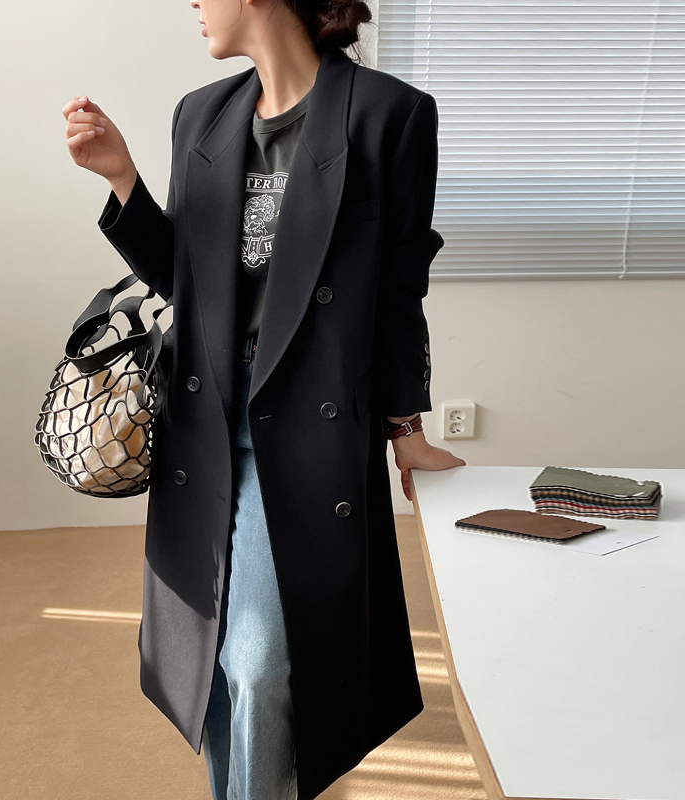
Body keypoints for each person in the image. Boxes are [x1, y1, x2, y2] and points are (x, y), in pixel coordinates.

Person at [62, 0, 465, 797]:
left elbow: (398, 288)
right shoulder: (201, 115)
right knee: (214, 662)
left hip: (310, 422)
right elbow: (188, 282)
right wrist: (121, 178)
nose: (192, 4)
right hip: (208, 418)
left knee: (261, 666)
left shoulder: (390, 115)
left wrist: (405, 428)